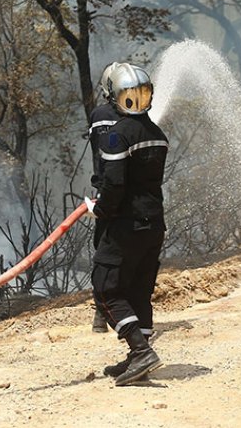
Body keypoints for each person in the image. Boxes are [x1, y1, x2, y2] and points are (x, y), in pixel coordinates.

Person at [84, 62, 168, 385]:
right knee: (138, 291)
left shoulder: (117, 136)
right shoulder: (158, 135)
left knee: (105, 287)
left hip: (125, 226)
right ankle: (138, 356)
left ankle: (141, 350)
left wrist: (99, 210)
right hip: (154, 225)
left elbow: (115, 185)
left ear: (113, 95)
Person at [87, 63, 123, 334]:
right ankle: (118, 314)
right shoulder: (136, 119)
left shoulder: (98, 115)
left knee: (104, 254)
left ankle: (103, 313)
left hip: (107, 194)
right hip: (134, 198)